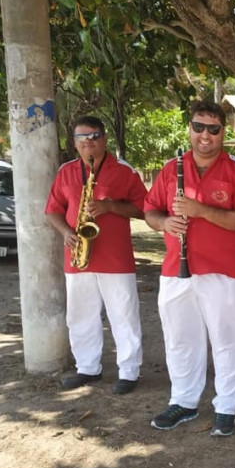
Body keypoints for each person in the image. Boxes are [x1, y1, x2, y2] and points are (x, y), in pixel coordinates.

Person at [144, 100, 235, 437]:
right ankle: (184, 401)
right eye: (198, 127)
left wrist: (201, 210)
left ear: (223, 132)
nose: (205, 135)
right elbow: (150, 211)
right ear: (189, 128)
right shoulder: (171, 168)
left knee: (228, 340)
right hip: (175, 270)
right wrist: (165, 222)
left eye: (213, 129)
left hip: (223, 272)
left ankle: (227, 406)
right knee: (180, 339)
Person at [45, 116, 146, 395]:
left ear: (104, 139)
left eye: (94, 136)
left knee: (124, 314)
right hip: (78, 255)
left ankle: (129, 371)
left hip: (116, 257)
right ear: (74, 142)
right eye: (82, 138)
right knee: (80, 315)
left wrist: (111, 206)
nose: (88, 142)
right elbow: (52, 210)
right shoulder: (66, 171)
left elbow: (144, 209)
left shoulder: (124, 170)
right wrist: (66, 232)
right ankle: (87, 367)